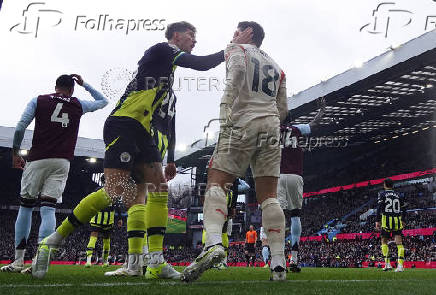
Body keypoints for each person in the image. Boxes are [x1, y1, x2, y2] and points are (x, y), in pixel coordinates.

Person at [32, 21, 253, 279]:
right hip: (124, 123)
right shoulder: (162, 49)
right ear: (177, 35)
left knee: (159, 189)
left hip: (143, 132)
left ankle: (155, 261)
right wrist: (235, 46)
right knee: (115, 192)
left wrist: (170, 157)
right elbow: (202, 64)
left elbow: (170, 121)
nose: (195, 41)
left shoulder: (167, 77)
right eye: (192, 35)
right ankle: (53, 241)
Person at [182, 21, 288, 282]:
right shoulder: (278, 67)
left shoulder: (236, 48)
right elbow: (283, 108)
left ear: (248, 33)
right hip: (272, 127)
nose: (233, 34)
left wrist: (224, 109)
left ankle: (214, 244)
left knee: (217, 184)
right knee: (270, 197)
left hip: (242, 122)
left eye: (237, 30)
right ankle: (278, 262)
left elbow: (236, 74)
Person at [0, 74, 108, 274]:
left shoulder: (39, 100)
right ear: (72, 89)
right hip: (62, 162)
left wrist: (15, 152)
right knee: (48, 209)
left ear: (56, 86)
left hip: (38, 158)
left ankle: (18, 261)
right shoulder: (78, 104)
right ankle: (40, 260)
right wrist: (86, 84)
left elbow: (21, 125)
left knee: (25, 207)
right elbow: (103, 101)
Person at [278, 97, 325, 272]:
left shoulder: (273, 129)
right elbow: (314, 125)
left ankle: (279, 258)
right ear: (291, 119)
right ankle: (294, 260)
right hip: (295, 175)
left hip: (279, 175)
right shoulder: (297, 129)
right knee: (295, 215)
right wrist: (322, 110)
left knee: (280, 216)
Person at [201, 178, 249, 269]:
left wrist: (233, 206)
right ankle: (220, 260)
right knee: (219, 232)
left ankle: (215, 259)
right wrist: (233, 206)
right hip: (222, 199)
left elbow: (204, 182)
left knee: (215, 231)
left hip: (219, 199)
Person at [375, 178, 406, 272]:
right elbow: (404, 208)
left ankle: (387, 264)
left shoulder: (382, 194)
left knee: (384, 241)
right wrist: (403, 219)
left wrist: (377, 220)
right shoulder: (399, 195)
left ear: (385, 185)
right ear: (392, 185)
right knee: (399, 243)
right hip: (397, 220)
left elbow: (379, 207)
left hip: (386, 220)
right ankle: (400, 266)